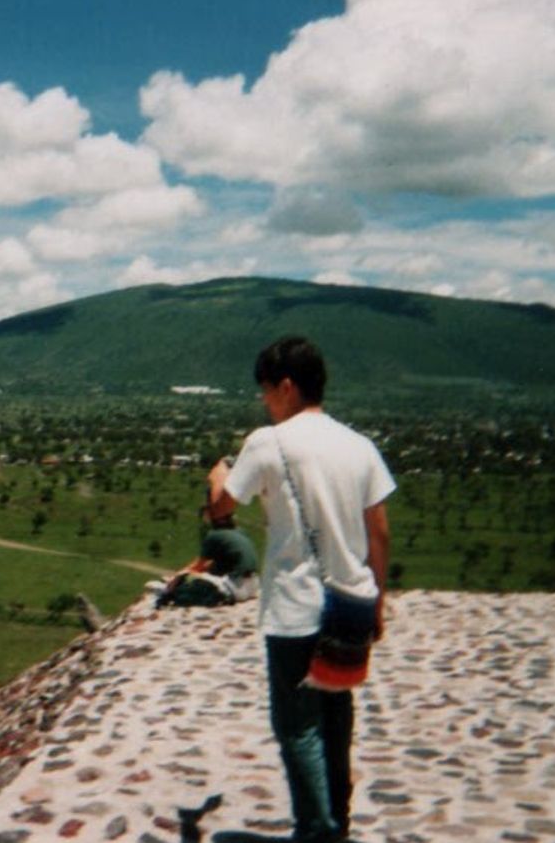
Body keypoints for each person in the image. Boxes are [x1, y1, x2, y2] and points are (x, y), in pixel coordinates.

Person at [207, 335, 394, 843]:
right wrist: (377, 600)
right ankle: (339, 821)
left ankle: (317, 831)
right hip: (351, 604)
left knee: (297, 727)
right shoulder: (360, 446)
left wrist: (215, 477)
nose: (264, 401)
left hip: (295, 609)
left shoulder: (268, 441)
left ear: (286, 387)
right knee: (337, 719)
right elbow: (379, 530)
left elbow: (224, 508)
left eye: (266, 391)